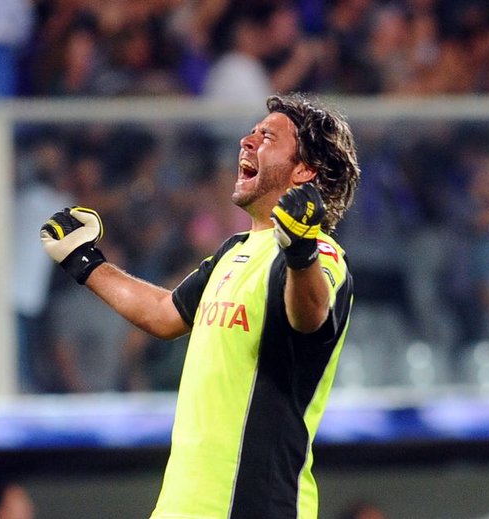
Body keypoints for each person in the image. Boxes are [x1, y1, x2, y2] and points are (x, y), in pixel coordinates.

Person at [40, 93, 360, 518]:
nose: (247, 141)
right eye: (251, 132)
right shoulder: (233, 251)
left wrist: (301, 252)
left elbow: (310, 317)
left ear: (303, 170)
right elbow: (165, 313)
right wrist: (84, 261)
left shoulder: (323, 256)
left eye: (267, 137)